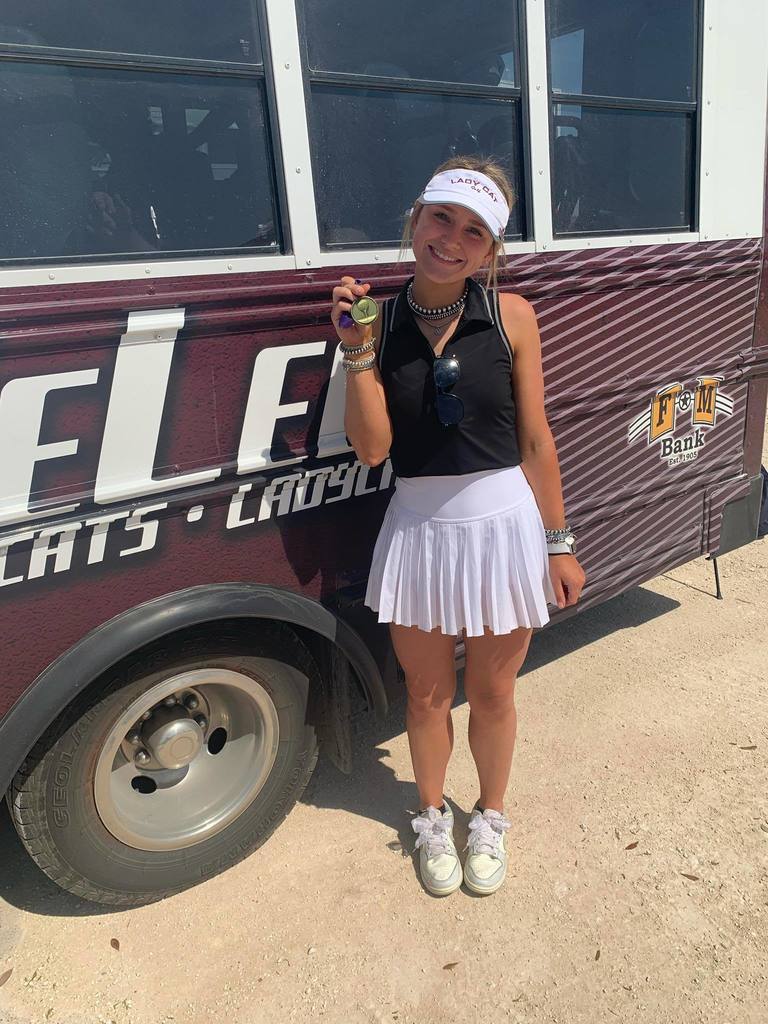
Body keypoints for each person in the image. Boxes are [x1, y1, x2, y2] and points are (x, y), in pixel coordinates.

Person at [331, 156, 586, 897]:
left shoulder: (513, 317)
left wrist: (559, 542)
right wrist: (354, 350)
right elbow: (374, 448)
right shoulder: (375, 320)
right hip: (419, 531)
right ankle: (433, 818)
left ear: (491, 250)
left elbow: (536, 439)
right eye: (442, 217)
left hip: (504, 526)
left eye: (474, 230)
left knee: (497, 692)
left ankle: (492, 819)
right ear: (416, 218)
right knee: (425, 695)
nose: (452, 239)